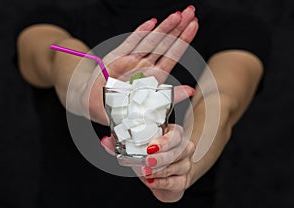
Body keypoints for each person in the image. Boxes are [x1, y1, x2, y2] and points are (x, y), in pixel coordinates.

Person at [15, 0, 271, 207]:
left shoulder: (237, 29)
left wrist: (179, 165)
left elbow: (219, 102)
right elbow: (56, 53)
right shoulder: (50, 20)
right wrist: (85, 87)